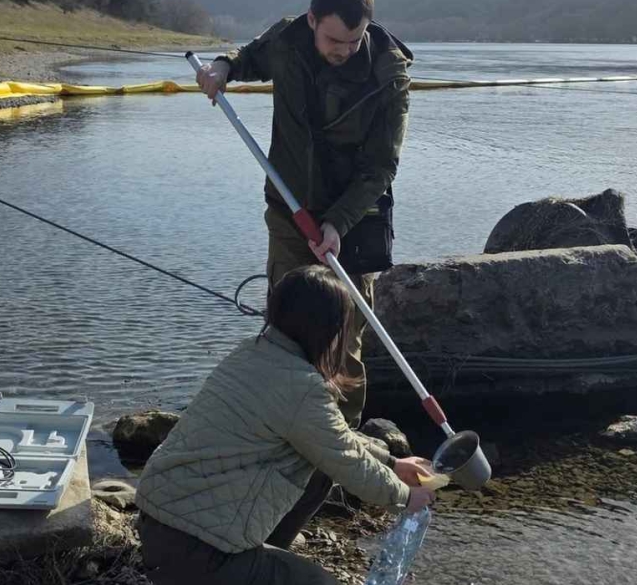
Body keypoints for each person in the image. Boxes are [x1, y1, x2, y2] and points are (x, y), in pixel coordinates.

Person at [195, 0, 414, 545]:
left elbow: (381, 167)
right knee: (285, 333)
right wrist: (222, 68)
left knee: (343, 347)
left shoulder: (388, 74)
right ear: (312, 21)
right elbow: (248, 58)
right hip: (290, 216)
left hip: (353, 224)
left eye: (354, 41)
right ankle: (271, 450)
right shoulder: (289, 41)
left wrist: (337, 222)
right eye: (334, 40)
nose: (344, 52)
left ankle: (334, 464)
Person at [135, 265, 436, 584]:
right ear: (325, 329)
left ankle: (263, 554)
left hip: (159, 527)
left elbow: (332, 439)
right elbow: (348, 461)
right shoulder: (301, 386)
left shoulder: (251, 353)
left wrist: (392, 463)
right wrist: (406, 497)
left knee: (320, 471)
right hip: (199, 552)